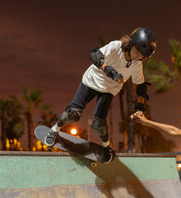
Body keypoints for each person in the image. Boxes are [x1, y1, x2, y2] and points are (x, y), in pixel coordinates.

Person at [45, 27, 156, 163]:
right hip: (91, 81)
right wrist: (109, 70)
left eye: (141, 56)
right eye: (137, 52)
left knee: (98, 124)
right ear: (130, 44)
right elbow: (96, 56)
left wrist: (140, 107)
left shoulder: (137, 64)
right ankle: (54, 129)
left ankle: (106, 147)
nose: (138, 57)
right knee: (73, 114)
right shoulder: (116, 46)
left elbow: (141, 86)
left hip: (109, 90)